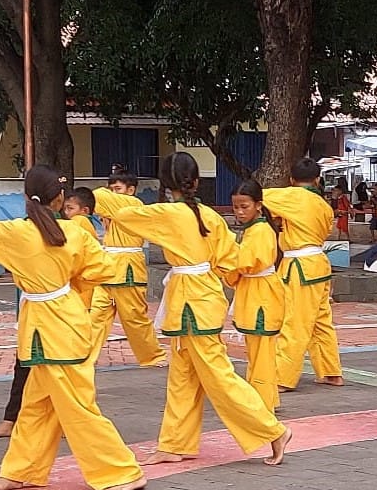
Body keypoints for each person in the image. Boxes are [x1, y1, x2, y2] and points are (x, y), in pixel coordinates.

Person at [0, 165, 146, 490]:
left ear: (26, 197)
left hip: (47, 324)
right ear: (60, 198)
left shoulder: (14, 233)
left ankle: (121, 470)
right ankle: (22, 469)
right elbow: (103, 268)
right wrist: (71, 281)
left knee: (77, 407)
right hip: (62, 320)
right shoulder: (76, 233)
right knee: (37, 403)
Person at [115, 153, 292, 466]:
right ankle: (174, 443)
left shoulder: (166, 214)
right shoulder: (209, 217)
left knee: (217, 375)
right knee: (182, 374)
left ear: (166, 184)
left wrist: (100, 197)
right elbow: (231, 261)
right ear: (195, 181)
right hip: (201, 295)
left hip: (192, 300)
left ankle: (272, 430)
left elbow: (125, 214)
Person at [263, 158, 345, 392]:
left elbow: (257, 195)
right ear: (317, 179)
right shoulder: (323, 205)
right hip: (318, 262)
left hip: (299, 265)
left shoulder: (291, 196)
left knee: (295, 322)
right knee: (321, 320)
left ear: (291, 179)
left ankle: (283, 377)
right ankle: (330, 371)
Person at [88, 170, 167, 368]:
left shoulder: (133, 205)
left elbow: (96, 196)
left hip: (127, 267)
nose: (113, 193)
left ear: (131, 190)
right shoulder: (113, 205)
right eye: (112, 189)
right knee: (96, 315)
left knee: (134, 317)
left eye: (118, 189)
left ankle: (152, 356)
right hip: (107, 266)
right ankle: (85, 356)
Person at [223, 179, 285, 414]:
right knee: (258, 351)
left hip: (260, 294)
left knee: (261, 352)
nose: (239, 212)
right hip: (256, 291)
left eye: (244, 206)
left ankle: (262, 402)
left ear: (258, 205)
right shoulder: (257, 229)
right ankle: (265, 397)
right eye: (236, 207)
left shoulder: (259, 230)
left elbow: (246, 263)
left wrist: (227, 261)